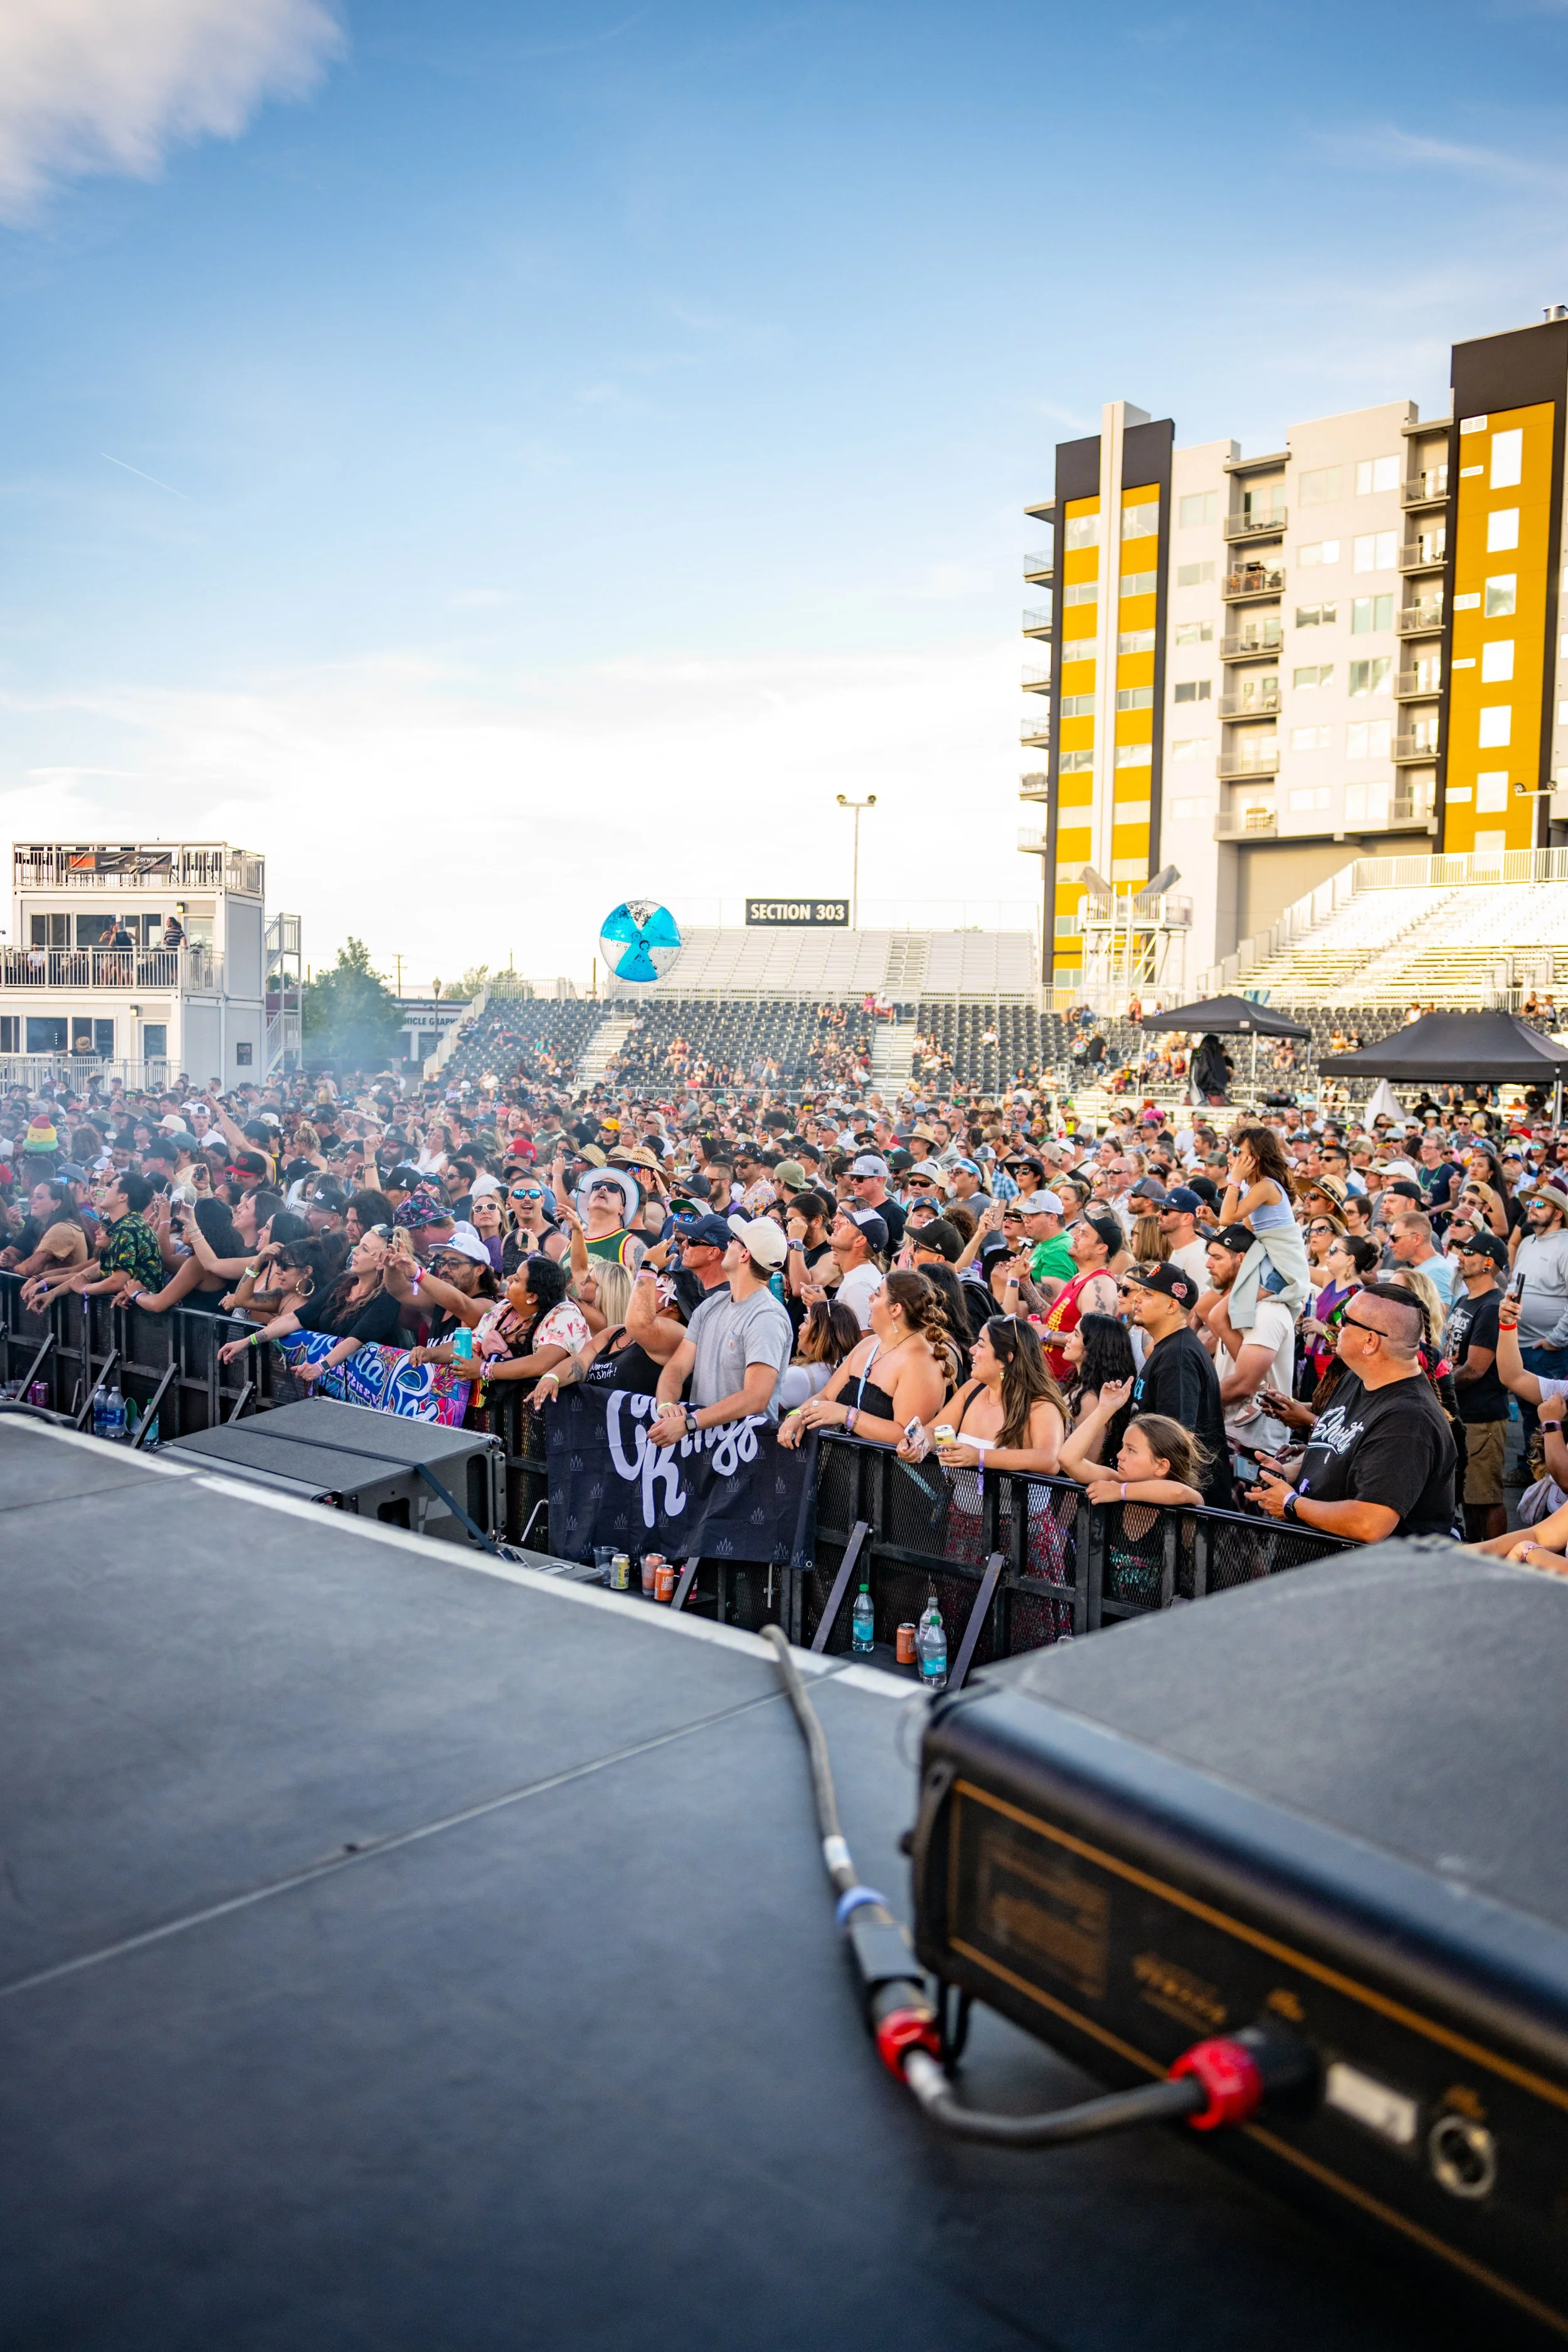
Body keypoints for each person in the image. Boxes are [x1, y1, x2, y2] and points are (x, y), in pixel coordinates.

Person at [1253, 1285, 1456, 1542]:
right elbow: (1336, 1452)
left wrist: (1291, 1503)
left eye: (1346, 1320)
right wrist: (1288, 1473)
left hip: (1366, 1576)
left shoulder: (1409, 1421)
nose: (1336, 1326)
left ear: (1370, 1341)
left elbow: (1370, 1523)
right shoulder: (1356, 1379)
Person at [650, 1215, 795, 1445]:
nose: (727, 1244)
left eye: (732, 1240)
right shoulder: (712, 1304)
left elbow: (756, 1397)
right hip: (705, 1446)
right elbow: (677, 1367)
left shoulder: (767, 1316)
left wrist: (689, 1423)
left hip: (744, 1453)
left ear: (745, 1254)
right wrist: (667, 1404)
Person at [778, 1269, 955, 1451]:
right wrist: (798, 1415)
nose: (870, 1297)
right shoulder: (869, 1345)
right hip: (844, 1469)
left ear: (895, 1309)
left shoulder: (922, 1364)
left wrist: (847, 1415)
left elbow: (907, 1437)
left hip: (889, 1475)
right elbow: (826, 1396)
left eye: (877, 1294)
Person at [1122, 1262, 1233, 1510]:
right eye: (1139, 1292)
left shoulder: (1178, 1357)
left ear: (1173, 1305)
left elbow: (1177, 1444)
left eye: (1148, 1294)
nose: (1137, 1299)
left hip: (1184, 1512)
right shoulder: (1171, 1348)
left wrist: (1124, 1490)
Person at [908, 1315, 1067, 1476]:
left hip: (1014, 1503)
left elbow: (1049, 1460)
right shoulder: (972, 1389)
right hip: (959, 1501)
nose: (972, 1350)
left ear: (1005, 1360)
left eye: (981, 1345)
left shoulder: (1041, 1405)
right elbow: (935, 1430)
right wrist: (916, 1443)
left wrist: (980, 1457)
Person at [1439, 1229, 1510, 1542]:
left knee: (1487, 1498)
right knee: (1470, 1497)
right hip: (1464, 1415)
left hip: (1483, 1417)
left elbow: (1475, 1370)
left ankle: (1498, 1562)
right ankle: (1475, 1552)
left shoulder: (1492, 1306)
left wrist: (1437, 1387)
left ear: (1488, 1263)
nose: (1460, 1257)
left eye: (1469, 1253)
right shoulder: (1467, 1300)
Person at [1039, 1211, 1121, 1384]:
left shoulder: (1100, 1286)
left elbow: (1092, 1341)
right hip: (1051, 1378)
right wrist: (1024, 1283)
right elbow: (1055, 1317)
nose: (1074, 1237)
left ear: (1101, 1248)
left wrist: (1046, 1334)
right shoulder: (1080, 1277)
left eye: (1083, 1234)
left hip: (1067, 1382)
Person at [828, 1204, 887, 1330]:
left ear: (859, 1241)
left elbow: (864, 1339)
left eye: (847, 1223)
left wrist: (824, 1311)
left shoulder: (858, 1285)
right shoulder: (858, 1276)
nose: (838, 1224)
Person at [1388, 1210, 1454, 1306]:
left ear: (1417, 1239)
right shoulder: (1429, 1267)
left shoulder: (1436, 1271)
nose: (1390, 1244)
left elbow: (1438, 1317)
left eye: (1395, 1238)